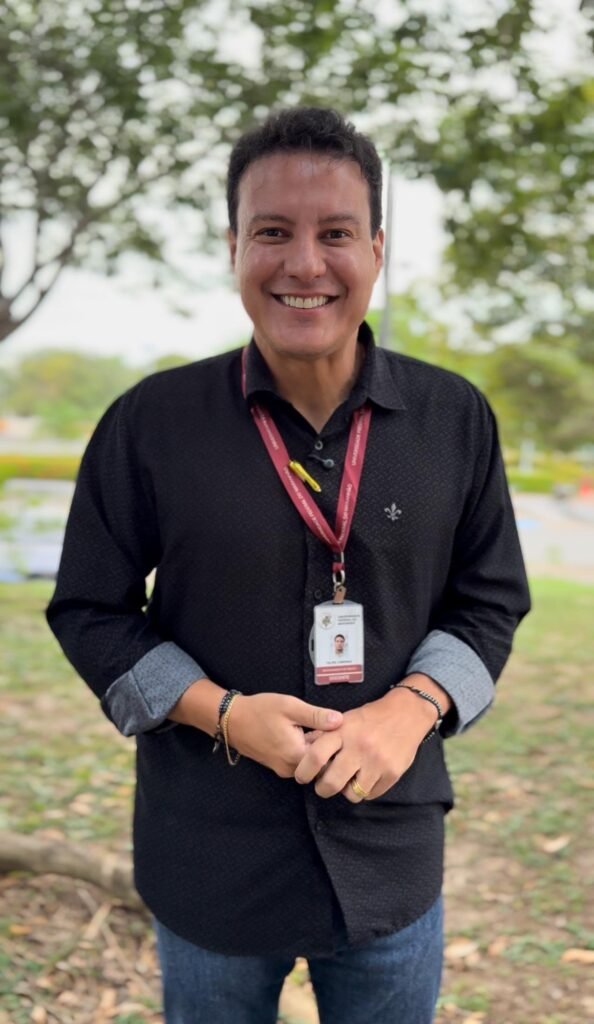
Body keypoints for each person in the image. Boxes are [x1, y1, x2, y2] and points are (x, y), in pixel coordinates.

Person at [47, 106, 530, 1024]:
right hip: (209, 857)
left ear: (377, 250)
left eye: (336, 233)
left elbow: (490, 601)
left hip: (392, 854)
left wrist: (409, 710)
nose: (305, 264)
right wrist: (223, 712)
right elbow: (90, 610)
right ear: (234, 248)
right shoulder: (151, 423)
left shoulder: (454, 418)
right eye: (273, 232)